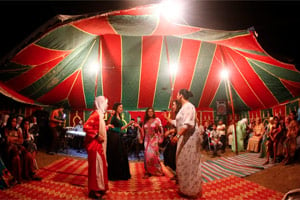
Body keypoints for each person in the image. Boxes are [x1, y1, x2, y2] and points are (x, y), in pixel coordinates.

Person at [171, 89, 202, 198]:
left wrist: (177, 135)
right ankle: (185, 188)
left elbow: (188, 124)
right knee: (182, 162)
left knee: (189, 163)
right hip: (184, 138)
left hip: (189, 139)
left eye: (177, 94)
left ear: (180, 96)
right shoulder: (183, 108)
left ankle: (192, 190)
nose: (176, 96)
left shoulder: (189, 106)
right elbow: (179, 122)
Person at [83, 96, 109, 199]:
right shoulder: (96, 115)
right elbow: (86, 127)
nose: (107, 105)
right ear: (101, 104)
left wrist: (106, 127)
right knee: (96, 169)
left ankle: (100, 188)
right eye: (106, 103)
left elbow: (98, 128)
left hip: (99, 146)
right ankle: (93, 191)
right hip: (95, 146)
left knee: (100, 168)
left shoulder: (100, 115)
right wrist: (97, 136)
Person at [106, 103, 132, 180]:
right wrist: (110, 115)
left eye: (122, 107)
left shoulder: (119, 117)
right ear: (116, 108)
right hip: (113, 137)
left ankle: (120, 174)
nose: (121, 108)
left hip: (118, 137)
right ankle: (114, 175)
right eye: (120, 107)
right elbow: (108, 124)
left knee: (121, 155)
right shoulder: (113, 116)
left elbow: (121, 128)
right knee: (115, 154)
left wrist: (129, 124)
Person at [140, 107, 164, 178]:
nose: (150, 113)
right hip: (147, 140)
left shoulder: (157, 120)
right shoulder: (145, 121)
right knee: (147, 156)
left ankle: (158, 171)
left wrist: (160, 138)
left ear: (153, 112)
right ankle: (148, 171)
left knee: (154, 156)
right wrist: (139, 127)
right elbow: (142, 131)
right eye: (149, 111)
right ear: (147, 113)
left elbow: (160, 130)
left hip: (154, 140)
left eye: (151, 111)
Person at [163, 100, 181, 180]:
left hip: (180, 138)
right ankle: (177, 174)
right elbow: (176, 124)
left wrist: (172, 132)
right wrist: (166, 117)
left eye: (173, 105)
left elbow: (181, 127)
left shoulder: (181, 113)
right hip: (176, 136)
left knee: (174, 156)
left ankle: (179, 175)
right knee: (169, 154)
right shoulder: (177, 114)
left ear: (177, 105)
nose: (172, 106)